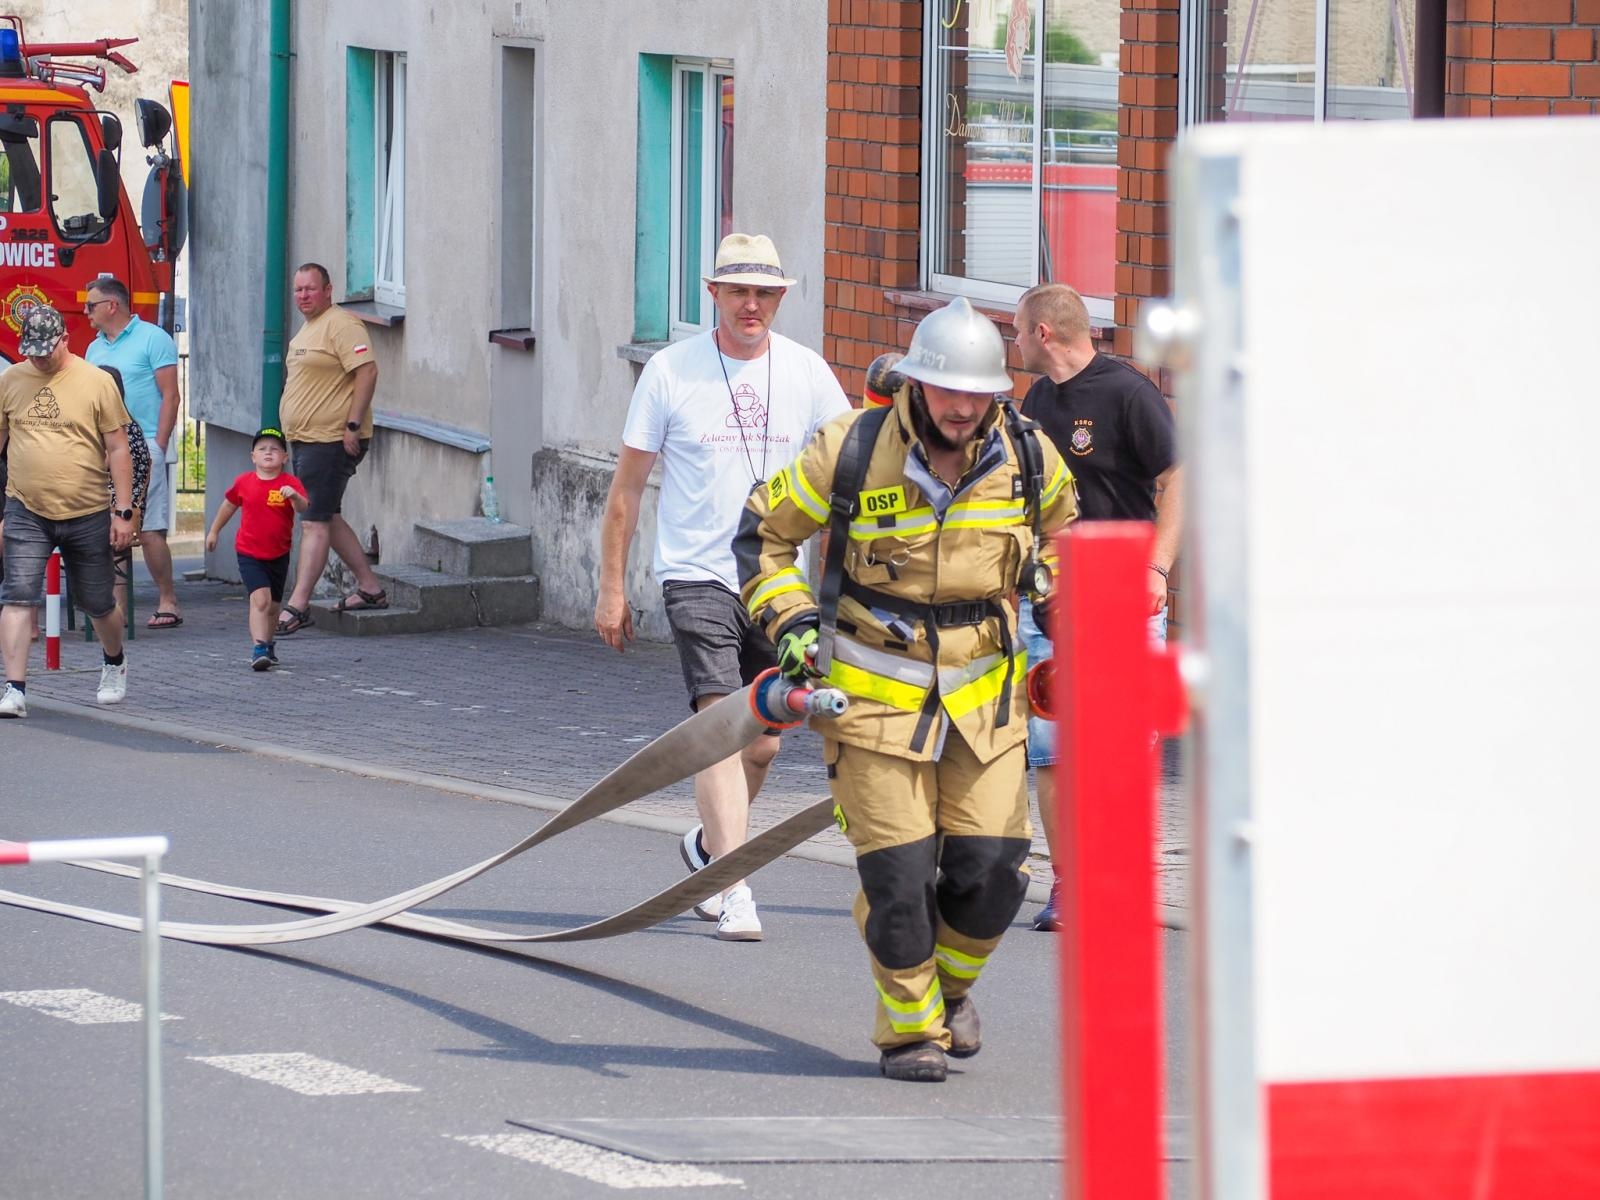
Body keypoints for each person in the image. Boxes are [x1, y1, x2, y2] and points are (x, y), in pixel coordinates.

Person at [736, 297, 1078, 1081]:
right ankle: (909, 1031)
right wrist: (789, 625)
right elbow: (764, 537)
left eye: (978, 394)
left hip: (986, 701)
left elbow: (1064, 534)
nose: (961, 409)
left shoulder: (1029, 457)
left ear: (998, 391)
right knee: (897, 879)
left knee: (993, 875)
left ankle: (950, 990)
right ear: (918, 384)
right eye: (946, 391)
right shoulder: (849, 449)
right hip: (872, 700)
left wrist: (1059, 594)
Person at [594, 233, 849, 942]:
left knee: (762, 744)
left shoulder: (806, 373)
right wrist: (611, 587)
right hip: (695, 574)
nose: (752, 304)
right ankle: (732, 885)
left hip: (776, 581)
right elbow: (626, 491)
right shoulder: (672, 371)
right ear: (714, 294)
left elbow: (849, 474)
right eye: (739, 291)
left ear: (779, 299)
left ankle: (707, 851)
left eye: (764, 293)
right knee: (716, 723)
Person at [1010, 282, 1183, 931]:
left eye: (1019, 331)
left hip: (1124, 600)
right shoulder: (1038, 399)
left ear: (1044, 334)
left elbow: (1178, 477)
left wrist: (1157, 566)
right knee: (1051, 748)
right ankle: (1069, 884)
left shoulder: (1128, 393)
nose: (1015, 343)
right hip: (1052, 599)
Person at [0, 306, 137, 718]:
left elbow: (118, 448)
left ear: (65, 340)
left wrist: (124, 511)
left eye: (46, 350)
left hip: (87, 509)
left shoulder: (95, 382)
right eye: (32, 352)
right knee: (18, 596)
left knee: (97, 601)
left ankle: (114, 662)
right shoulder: (11, 380)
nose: (39, 359)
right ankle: (14, 688)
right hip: (26, 506)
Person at [273, 262, 386, 636]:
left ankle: (298, 605)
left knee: (315, 522)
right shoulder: (309, 329)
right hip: (306, 439)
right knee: (328, 515)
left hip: (331, 439)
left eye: (310, 289)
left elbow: (367, 371)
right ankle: (370, 587)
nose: (303, 296)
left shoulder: (342, 324)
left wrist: (352, 425)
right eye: (298, 290)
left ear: (328, 290)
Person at [84, 278, 184, 629]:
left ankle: (167, 600)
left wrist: (158, 444)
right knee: (115, 527)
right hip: (107, 451)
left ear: (112, 305)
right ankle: (117, 611)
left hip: (145, 447)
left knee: (150, 529)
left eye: (91, 305)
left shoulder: (153, 339)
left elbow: (170, 395)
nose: (86, 313)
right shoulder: (94, 349)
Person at [206, 428, 308, 670]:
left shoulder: (290, 483)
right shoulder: (244, 482)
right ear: (253, 456)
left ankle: (269, 645)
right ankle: (259, 648)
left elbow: (303, 507)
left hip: (279, 553)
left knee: (273, 606)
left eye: (275, 449)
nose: (268, 453)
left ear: (285, 457)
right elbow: (228, 506)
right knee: (260, 600)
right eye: (262, 449)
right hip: (249, 552)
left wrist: (294, 496)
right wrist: (214, 531)